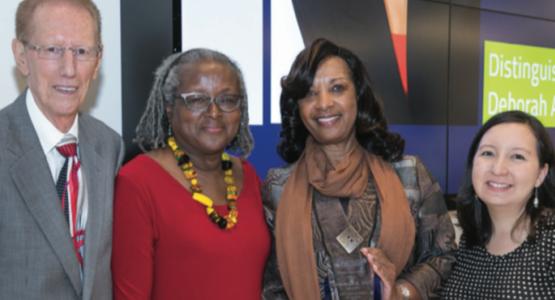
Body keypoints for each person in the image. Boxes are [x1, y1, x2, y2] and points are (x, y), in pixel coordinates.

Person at [262, 38, 456, 300]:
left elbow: (442, 256)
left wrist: (402, 291)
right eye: (309, 92)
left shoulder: (409, 174)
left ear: (358, 96)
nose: (323, 103)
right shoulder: (278, 187)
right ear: (297, 106)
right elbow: (273, 287)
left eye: (337, 88)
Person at [111, 49, 270, 300]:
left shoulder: (248, 176)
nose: (214, 113)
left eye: (227, 100)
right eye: (197, 99)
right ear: (169, 108)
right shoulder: (138, 182)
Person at [0, 0, 124, 299]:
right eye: (52, 50)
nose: (69, 69)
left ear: (98, 61)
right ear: (21, 56)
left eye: (82, 52)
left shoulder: (109, 146)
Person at [441, 110, 555, 299]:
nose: (498, 169)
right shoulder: (468, 242)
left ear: (541, 174)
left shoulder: (551, 240)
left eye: (517, 156)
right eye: (488, 153)